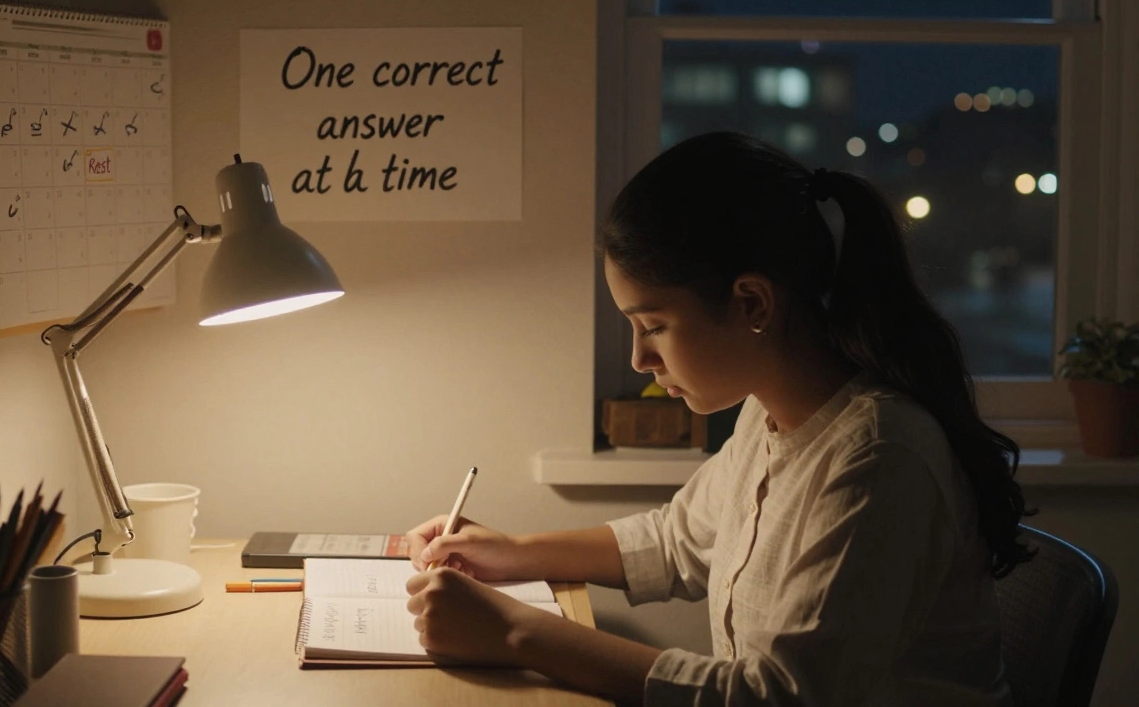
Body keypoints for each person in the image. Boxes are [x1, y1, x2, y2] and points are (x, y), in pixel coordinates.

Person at [403, 131, 1033, 706]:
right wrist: (512, 554)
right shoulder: (768, 414)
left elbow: (778, 696)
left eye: (654, 326)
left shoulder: (877, 459)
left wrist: (517, 631)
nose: (639, 358)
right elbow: (677, 542)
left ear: (752, 302)